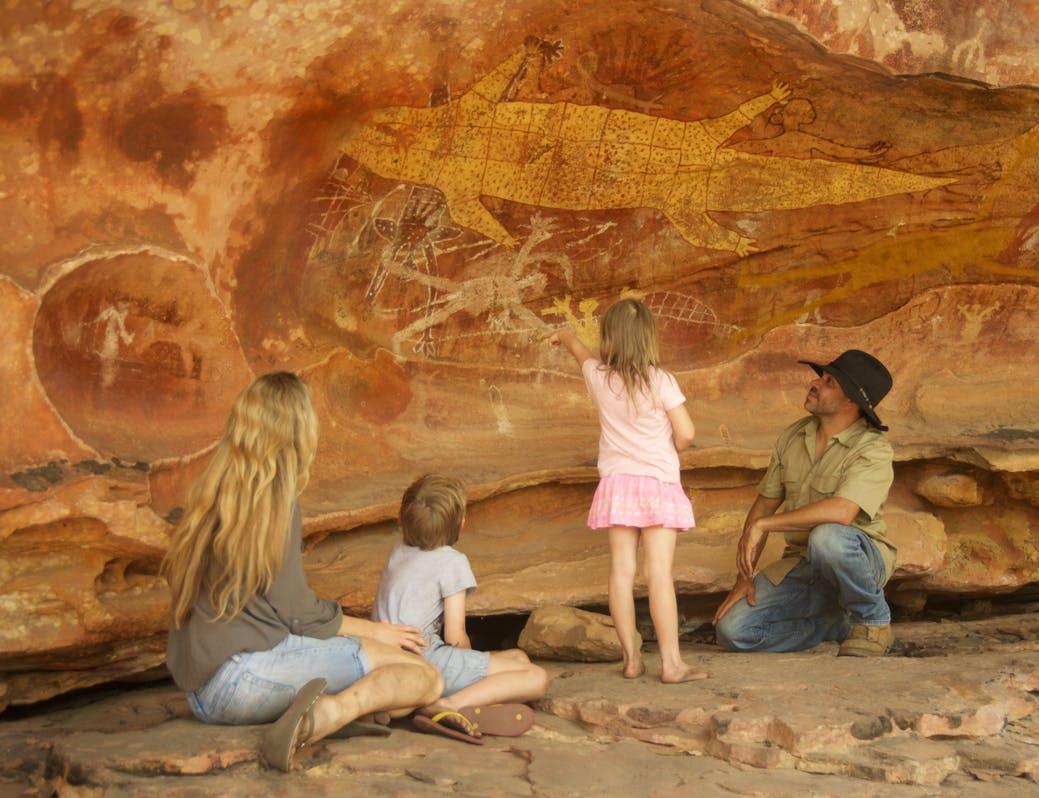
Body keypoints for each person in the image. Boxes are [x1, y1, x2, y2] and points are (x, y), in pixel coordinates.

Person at [162, 371, 444, 771]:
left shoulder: (210, 494)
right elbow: (301, 616)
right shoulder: (276, 507)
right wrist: (376, 631)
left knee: (397, 691)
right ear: (295, 433)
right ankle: (328, 715)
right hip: (244, 680)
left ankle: (345, 709)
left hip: (202, 694)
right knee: (425, 678)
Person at [549, 298, 708, 683]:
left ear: (610, 338)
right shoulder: (662, 381)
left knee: (621, 573)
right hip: (657, 485)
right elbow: (686, 434)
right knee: (659, 575)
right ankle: (671, 664)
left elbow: (580, 353)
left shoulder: (600, 378)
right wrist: (672, 443)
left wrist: (565, 336)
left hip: (617, 485)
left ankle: (631, 659)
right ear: (649, 338)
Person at [712, 350, 897, 657]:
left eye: (828, 382)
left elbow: (842, 512)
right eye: (820, 377)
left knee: (827, 537)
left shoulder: (873, 449)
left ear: (852, 402)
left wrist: (764, 526)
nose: (815, 383)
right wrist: (743, 578)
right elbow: (764, 505)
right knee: (733, 632)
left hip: (858, 559)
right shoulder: (794, 436)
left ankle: (873, 621)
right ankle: (837, 626)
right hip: (805, 565)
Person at [373, 473, 549, 744]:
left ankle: (406, 704)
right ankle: (449, 705)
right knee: (536, 677)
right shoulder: (452, 562)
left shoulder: (397, 549)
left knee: (518, 659)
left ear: (402, 518)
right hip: (424, 658)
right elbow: (455, 637)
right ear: (462, 523)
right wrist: (468, 666)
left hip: (382, 656)